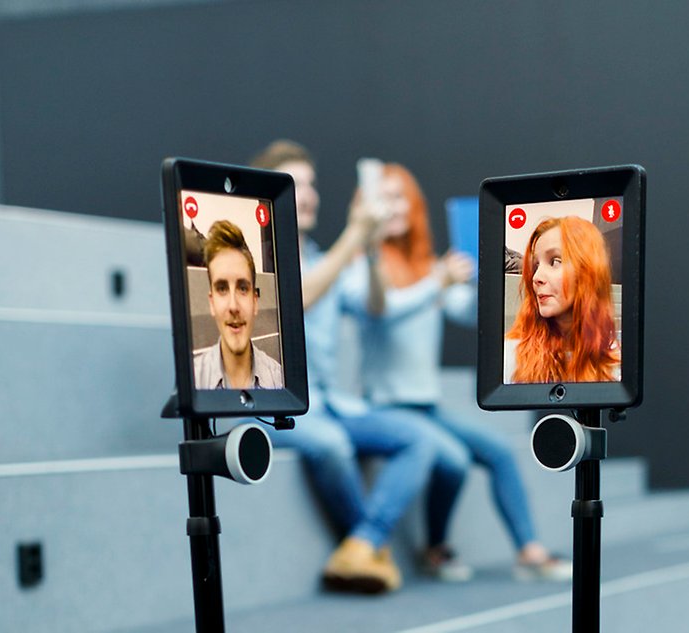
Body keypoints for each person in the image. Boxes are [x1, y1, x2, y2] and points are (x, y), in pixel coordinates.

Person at [249, 141, 467, 594]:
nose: (308, 195)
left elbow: (374, 305)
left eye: (311, 184)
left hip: (329, 403)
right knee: (329, 444)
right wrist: (353, 235)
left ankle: (363, 544)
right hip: (273, 407)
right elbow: (297, 301)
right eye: (295, 185)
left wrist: (369, 250)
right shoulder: (255, 256)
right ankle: (369, 544)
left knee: (420, 440)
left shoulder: (321, 259)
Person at [344, 162, 572, 582]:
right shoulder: (364, 265)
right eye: (385, 197)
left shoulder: (429, 268)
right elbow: (382, 312)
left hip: (427, 407)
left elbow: (467, 313)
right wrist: (439, 283)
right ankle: (436, 549)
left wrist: (493, 281)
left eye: (400, 197)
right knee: (452, 460)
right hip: (386, 407)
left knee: (500, 451)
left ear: (414, 206)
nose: (393, 206)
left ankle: (530, 551)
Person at [504, 216, 620, 384]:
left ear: (587, 271)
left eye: (555, 261)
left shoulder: (615, 361)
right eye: (535, 266)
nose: (536, 277)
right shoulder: (510, 355)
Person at [192, 220, 283, 390]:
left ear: (255, 301)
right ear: (212, 303)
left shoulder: (278, 379)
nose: (233, 306)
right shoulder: (194, 379)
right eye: (222, 289)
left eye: (242, 288)